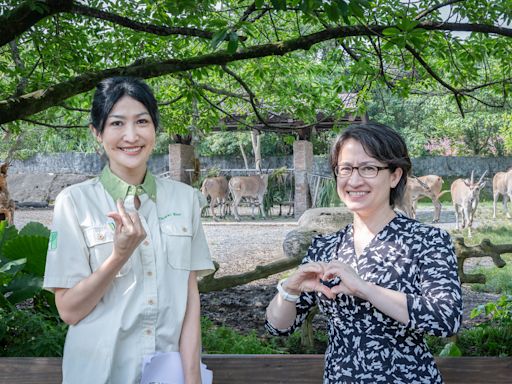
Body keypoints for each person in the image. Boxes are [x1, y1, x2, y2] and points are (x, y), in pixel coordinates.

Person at [43, 76, 214, 384]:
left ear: (155, 129)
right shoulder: (74, 202)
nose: (131, 135)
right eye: (117, 124)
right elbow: (68, 310)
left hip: (166, 376)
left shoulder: (185, 199)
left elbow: (190, 299)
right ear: (97, 133)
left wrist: (192, 377)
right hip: (97, 374)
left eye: (142, 121)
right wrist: (119, 256)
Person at [265, 122, 462, 384]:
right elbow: (279, 327)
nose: (354, 180)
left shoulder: (427, 240)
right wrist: (289, 290)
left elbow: (446, 318)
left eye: (368, 168)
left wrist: (364, 288)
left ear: (395, 176)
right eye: (345, 169)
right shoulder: (325, 247)